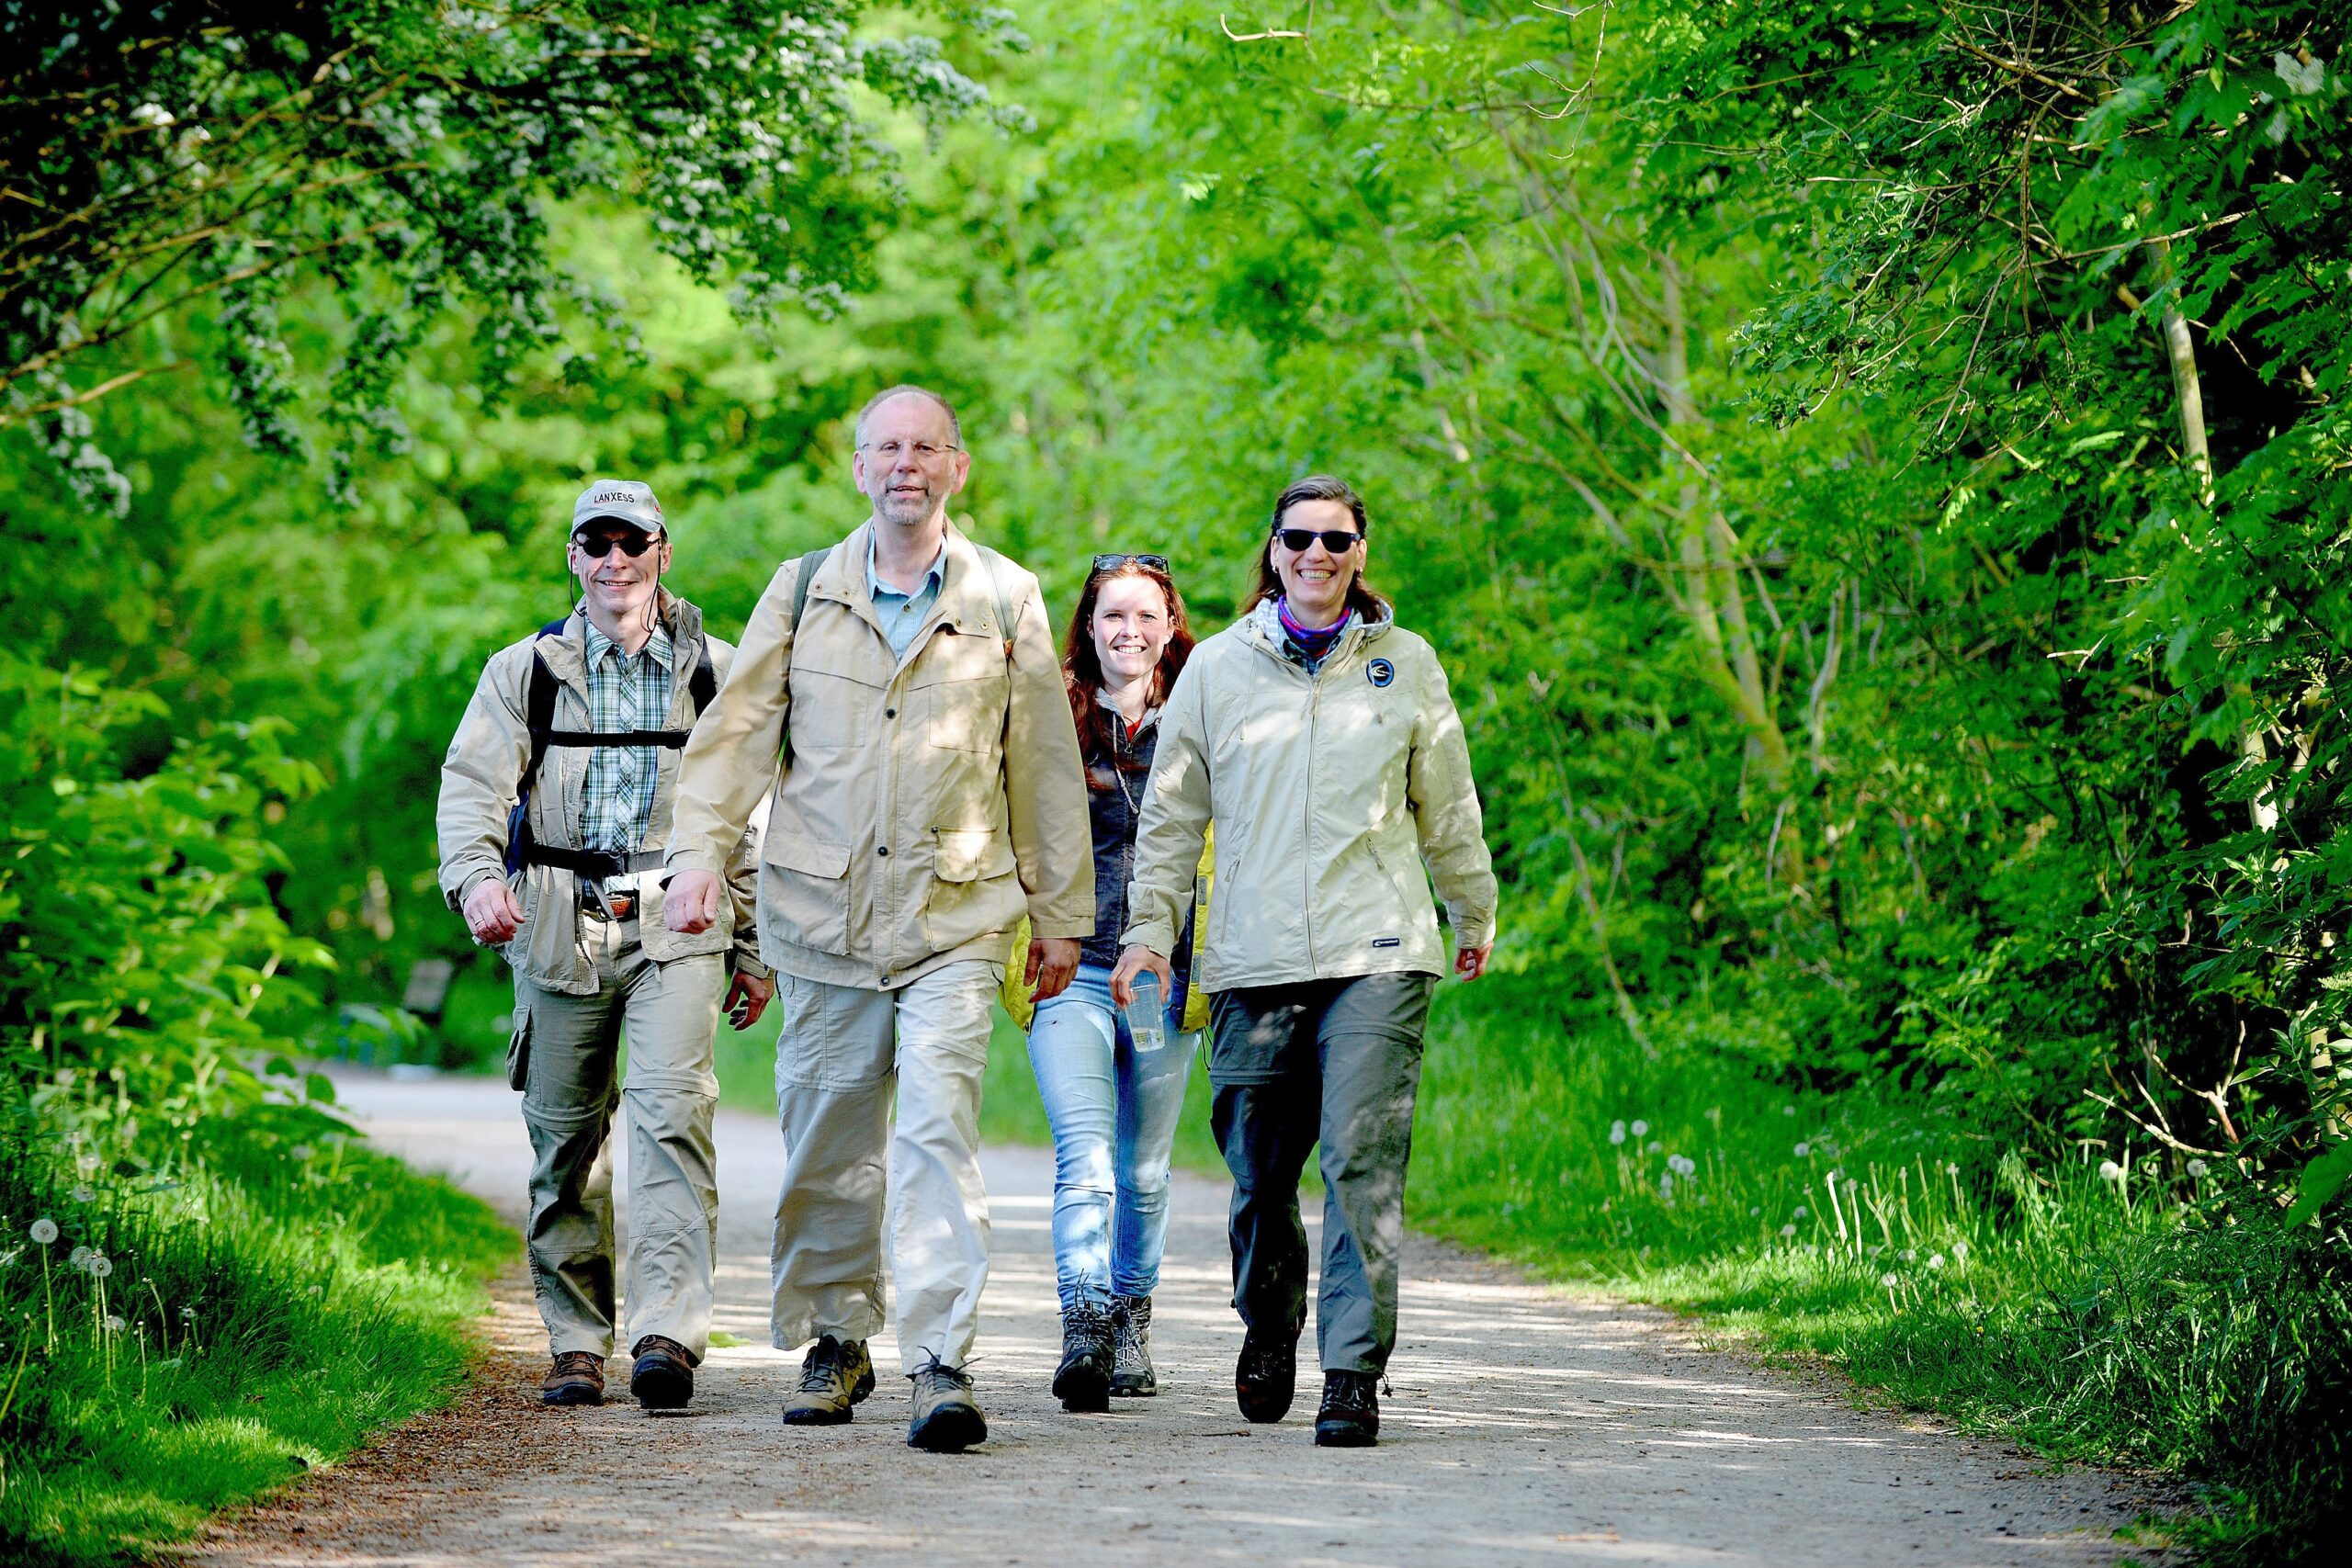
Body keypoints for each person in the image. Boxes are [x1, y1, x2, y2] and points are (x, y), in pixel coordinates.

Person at [662, 384, 1092, 1453]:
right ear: (858, 468)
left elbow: (1041, 762)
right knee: (828, 1144)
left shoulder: (1006, 596)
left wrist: (1061, 912)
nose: (904, 463)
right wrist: (697, 859)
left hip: (956, 913)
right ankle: (835, 1340)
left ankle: (940, 1360)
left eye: (924, 447)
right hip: (820, 914)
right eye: (884, 448)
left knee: (938, 1127)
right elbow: (736, 735)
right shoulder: (803, 588)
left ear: (956, 466)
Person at [1113, 474, 1498, 1449]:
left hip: (1380, 950)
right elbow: (1170, 819)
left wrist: (1471, 907)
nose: (1317, 555)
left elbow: (1446, 803)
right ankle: (1270, 1324)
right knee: (1258, 1172)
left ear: (1359, 552)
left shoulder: (1405, 663)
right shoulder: (1216, 671)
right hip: (1254, 957)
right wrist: (1150, 932)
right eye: (1299, 540)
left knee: (1362, 1162)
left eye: (1336, 540)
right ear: (1273, 553)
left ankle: (1352, 1373)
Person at [436, 479, 773, 1412]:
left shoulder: (721, 669)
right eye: (598, 543)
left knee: (673, 1114)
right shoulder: (524, 672)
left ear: (664, 551)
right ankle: (577, 1340)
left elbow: (757, 815)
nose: (615, 560)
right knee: (563, 1136)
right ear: (574, 558)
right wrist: (475, 882)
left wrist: (757, 944)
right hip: (555, 913)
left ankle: (666, 1333)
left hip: (681, 916)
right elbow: (471, 785)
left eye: (634, 542)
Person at [1023, 554, 1203, 1412]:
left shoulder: (1206, 710)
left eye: (1145, 616)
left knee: (1145, 1168)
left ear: (1170, 626)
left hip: (1171, 973)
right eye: (1111, 616)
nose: (1128, 632)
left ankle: (1133, 1312)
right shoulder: (1050, 712)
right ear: (1088, 626)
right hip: (1074, 967)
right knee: (1085, 1154)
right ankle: (1086, 1325)